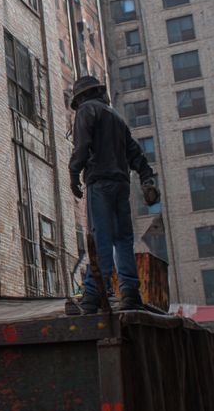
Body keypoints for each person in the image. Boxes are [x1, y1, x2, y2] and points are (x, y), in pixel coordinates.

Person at [66, 75, 159, 313]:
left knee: (101, 238)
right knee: (123, 240)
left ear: (82, 97)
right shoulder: (117, 118)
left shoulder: (87, 111)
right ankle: (129, 292)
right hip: (121, 185)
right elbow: (137, 156)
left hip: (100, 183)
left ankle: (93, 293)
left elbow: (82, 146)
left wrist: (74, 173)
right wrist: (147, 181)